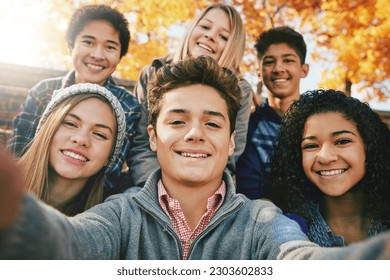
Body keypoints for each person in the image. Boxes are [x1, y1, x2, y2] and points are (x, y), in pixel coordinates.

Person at [0, 56, 389, 260]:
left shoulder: (262, 219)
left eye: (212, 123)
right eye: (178, 120)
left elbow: (298, 259)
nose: (194, 133)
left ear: (230, 142)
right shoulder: (117, 215)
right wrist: (15, 216)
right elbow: (71, 243)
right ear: (153, 137)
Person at [7, 5, 140, 193]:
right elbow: (19, 153)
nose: (97, 55)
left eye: (110, 47)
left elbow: (109, 175)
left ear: (120, 56)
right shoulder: (44, 91)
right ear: (71, 46)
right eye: (88, 42)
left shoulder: (128, 106)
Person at [128, 3, 253, 187]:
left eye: (223, 36)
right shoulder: (152, 73)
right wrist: (157, 192)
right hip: (150, 183)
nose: (210, 36)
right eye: (205, 26)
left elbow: (227, 155)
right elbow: (141, 145)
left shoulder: (240, 90)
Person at [268, 89, 390, 246]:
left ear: (370, 147)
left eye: (342, 141)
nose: (325, 157)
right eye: (311, 145)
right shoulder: (286, 230)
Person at [18, 83, 126, 216]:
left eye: (99, 134)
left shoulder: (108, 220)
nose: (81, 139)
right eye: (70, 124)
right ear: (47, 129)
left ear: (109, 156)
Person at [235, 26, 309, 199]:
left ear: (304, 70)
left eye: (288, 60)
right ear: (259, 72)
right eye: (269, 62)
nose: (278, 68)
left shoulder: (319, 122)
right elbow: (250, 192)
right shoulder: (249, 126)